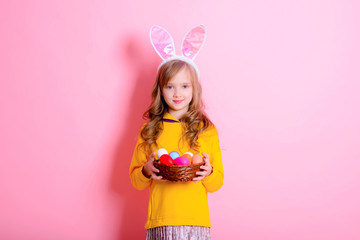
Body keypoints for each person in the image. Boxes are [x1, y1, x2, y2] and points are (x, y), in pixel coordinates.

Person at [129, 25, 224, 240]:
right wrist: (145, 170)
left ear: (194, 89)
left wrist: (208, 171)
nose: (177, 93)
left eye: (185, 86)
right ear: (160, 91)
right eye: (170, 87)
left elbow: (217, 182)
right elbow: (135, 179)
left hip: (195, 221)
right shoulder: (150, 130)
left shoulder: (205, 129)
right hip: (161, 221)